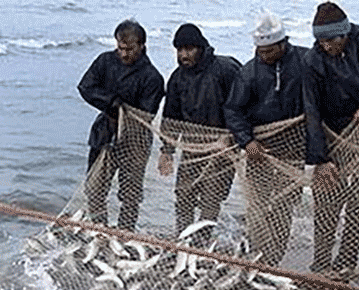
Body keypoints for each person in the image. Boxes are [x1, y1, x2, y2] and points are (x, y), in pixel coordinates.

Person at [303, 2, 359, 279]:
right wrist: (321, 159)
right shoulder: (313, 60)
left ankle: (346, 261)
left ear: (344, 34)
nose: (325, 46)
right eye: (320, 40)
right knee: (327, 197)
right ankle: (321, 263)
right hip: (332, 133)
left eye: (330, 40)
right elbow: (312, 111)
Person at [223, 11, 309, 266]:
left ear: (283, 44)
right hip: (258, 150)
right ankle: (255, 257)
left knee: (284, 208)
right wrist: (246, 141)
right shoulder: (249, 72)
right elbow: (233, 109)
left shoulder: (306, 61)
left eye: (269, 50)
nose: (263, 55)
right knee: (257, 206)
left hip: (293, 150)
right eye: (260, 50)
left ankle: (273, 260)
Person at [157, 24, 241, 244]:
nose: (184, 55)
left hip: (223, 146)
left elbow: (243, 107)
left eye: (189, 49)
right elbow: (170, 118)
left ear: (201, 48)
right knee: (183, 195)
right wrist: (166, 151)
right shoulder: (176, 78)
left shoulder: (225, 69)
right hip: (193, 147)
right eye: (179, 50)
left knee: (211, 199)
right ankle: (184, 239)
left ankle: (202, 245)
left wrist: (232, 137)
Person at [77, 19, 164, 230]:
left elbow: (146, 114)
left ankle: (126, 233)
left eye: (130, 49)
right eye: (120, 48)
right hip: (104, 132)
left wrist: (123, 109)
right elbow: (85, 87)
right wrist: (111, 103)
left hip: (135, 139)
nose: (124, 54)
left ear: (142, 46)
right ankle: (100, 230)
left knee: (130, 193)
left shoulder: (153, 78)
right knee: (95, 187)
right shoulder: (105, 61)